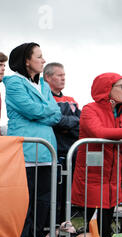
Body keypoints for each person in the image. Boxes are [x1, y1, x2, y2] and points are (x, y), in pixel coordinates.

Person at [3, 42, 61, 237]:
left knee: (43, 202)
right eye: (39, 56)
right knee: (23, 203)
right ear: (26, 61)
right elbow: (32, 110)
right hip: (26, 153)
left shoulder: (44, 85)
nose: (43, 60)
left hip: (47, 152)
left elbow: (56, 113)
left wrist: (44, 112)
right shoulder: (15, 83)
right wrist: (45, 112)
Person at [72, 73, 122, 237]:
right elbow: (98, 132)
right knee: (95, 227)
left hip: (112, 176)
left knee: (106, 224)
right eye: (120, 86)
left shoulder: (119, 111)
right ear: (108, 89)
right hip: (93, 175)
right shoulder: (90, 109)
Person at [43, 62, 81, 224]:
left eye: (64, 75)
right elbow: (57, 123)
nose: (63, 78)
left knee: (66, 198)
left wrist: (70, 124)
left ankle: (62, 233)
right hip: (54, 155)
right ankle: (47, 234)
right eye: (59, 75)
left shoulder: (71, 100)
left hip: (71, 156)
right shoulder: (45, 98)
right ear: (48, 77)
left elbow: (81, 122)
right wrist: (71, 123)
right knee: (52, 198)